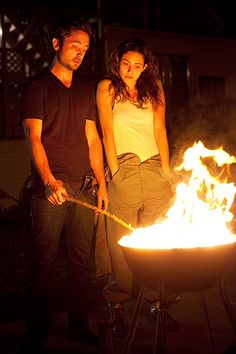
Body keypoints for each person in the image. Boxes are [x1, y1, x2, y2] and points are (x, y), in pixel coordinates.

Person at [19, 16, 108, 354]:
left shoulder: (85, 89)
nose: (80, 53)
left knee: (82, 261)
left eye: (85, 49)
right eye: (75, 45)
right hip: (50, 192)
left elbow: (93, 139)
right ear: (56, 44)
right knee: (44, 263)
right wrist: (48, 181)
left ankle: (78, 324)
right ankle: (35, 334)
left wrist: (101, 183)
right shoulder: (37, 86)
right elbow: (34, 138)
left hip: (83, 186)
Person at [96, 38, 176, 336]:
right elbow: (106, 132)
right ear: (118, 62)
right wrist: (116, 171)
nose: (130, 70)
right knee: (122, 242)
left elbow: (160, 131)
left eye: (137, 66)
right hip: (125, 168)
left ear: (146, 68)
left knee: (155, 242)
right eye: (126, 64)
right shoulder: (107, 88)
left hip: (154, 168)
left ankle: (157, 303)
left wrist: (166, 172)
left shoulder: (154, 88)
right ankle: (116, 306)